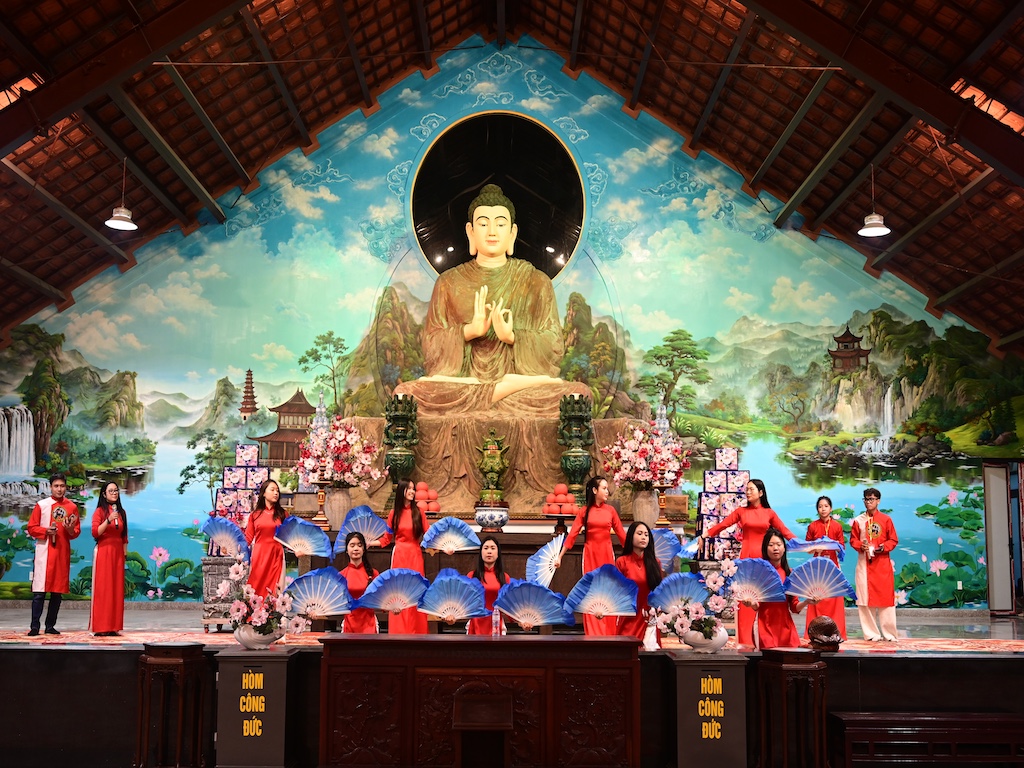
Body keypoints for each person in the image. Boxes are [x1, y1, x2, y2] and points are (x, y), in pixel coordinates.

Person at [393, 183, 589, 417]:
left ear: (512, 233)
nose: (492, 232)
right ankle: (497, 392)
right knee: (406, 394)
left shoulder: (536, 281)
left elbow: (554, 344)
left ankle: (499, 391)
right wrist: (469, 331)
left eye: (500, 224)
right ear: (470, 232)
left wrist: (513, 337)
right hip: (464, 387)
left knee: (577, 394)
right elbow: (431, 345)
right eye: (484, 224)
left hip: (521, 391)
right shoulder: (448, 282)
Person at [695, 479, 795, 647]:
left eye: (751, 489)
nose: (748, 492)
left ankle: (767, 636)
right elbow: (723, 524)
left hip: (764, 560)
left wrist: (804, 545)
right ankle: (745, 640)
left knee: (763, 597)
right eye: (746, 489)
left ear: (761, 493)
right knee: (746, 596)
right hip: (747, 560)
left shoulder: (769, 513)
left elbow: (785, 532)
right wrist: (705, 535)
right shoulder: (741, 512)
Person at [553, 476, 627, 635]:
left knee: (607, 592)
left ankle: (609, 633)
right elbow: (572, 535)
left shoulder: (610, 511)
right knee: (591, 592)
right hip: (590, 555)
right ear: (594, 490)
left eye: (607, 488)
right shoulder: (584, 512)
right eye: (604, 488)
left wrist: (635, 554)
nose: (607, 491)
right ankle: (593, 633)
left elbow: (622, 535)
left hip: (606, 555)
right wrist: (560, 556)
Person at [27, 473, 81, 636]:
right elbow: (31, 528)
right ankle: (34, 626)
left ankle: (50, 625)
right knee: (39, 592)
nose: (59, 489)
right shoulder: (41, 505)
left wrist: (70, 529)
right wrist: (46, 531)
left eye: (62, 486)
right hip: (44, 553)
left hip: (61, 553)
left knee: (57, 592)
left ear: (66, 487)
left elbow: (76, 532)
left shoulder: (72, 507)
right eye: (56, 486)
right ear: (51, 487)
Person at [377, 478, 430, 634]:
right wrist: (370, 543)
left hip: (415, 555)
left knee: (416, 592)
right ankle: (398, 632)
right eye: (409, 488)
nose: (412, 492)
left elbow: (429, 536)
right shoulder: (394, 514)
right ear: (402, 491)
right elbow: (386, 539)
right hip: (399, 555)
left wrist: (443, 547)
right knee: (399, 594)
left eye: (414, 489)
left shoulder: (419, 512)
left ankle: (417, 633)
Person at [743, 528, 808, 650]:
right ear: (765, 548)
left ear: (784, 548)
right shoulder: (759, 573)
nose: (775, 548)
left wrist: (807, 601)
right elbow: (757, 605)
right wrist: (751, 603)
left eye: (779, 544)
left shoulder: (790, 574)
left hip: (786, 627)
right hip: (764, 625)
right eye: (771, 545)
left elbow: (794, 607)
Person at [850, 487, 899, 642]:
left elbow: (893, 540)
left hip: (882, 564)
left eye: (871, 499)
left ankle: (889, 634)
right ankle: (871, 634)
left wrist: (883, 547)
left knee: (886, 600)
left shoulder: (886, 519)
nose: (868, 502)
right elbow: (853, 540)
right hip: (864, 564)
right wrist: (861, 546)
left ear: (878, 501)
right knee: (864, 599)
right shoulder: (858, 521)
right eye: (866, 499)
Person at [804, 495, 847, 640]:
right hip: (817, 566)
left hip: (833, 566)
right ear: (817, 509)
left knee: (835, 598)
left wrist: (831, 546)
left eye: (826, 506)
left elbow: (842, 547)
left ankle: (837, 631)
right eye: (820, 506)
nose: (823, 509)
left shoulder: (837, 526)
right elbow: (807, 548)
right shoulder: (812, 526)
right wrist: (815, 548)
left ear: (831, 508)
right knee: (816, 597)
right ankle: (813, 631)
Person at [615, 521, 663, 643]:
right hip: (629, 614)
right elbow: (615, 591)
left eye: (646, 535)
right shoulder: (622, 562)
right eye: (640, 533)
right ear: (631, 536)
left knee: (650, 649)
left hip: (648, 614)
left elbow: (659, 591)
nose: (643, 537)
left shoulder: (655, 563)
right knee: (627, 647)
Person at [89, 481, 128, 637]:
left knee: (116, 589)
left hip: (118, 553)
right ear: (104, 494)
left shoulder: (122, 512)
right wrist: (108, 520)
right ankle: (100, 626)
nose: (114, 493)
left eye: (116, 490)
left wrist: (124, 555)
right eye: (110, 491)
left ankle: (113, 626)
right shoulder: (99, 511)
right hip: (104, 551)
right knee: (104, 589)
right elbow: (95, 532)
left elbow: (124, 536)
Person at [244, 479, 288, 598]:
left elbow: (289, 537)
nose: (276, 493)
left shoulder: (283, 514)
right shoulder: (255, 515)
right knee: (256, 587)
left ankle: (273, 610)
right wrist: (231, 549)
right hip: (259, 554)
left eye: (277, 490)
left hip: (276, 554)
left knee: (275, 589)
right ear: (263, 493)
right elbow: (248, 538)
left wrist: (297, 549)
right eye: (272, 490)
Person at [466, 535, 512, 635]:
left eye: (493, 548)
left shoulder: (504, 578)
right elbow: (463, 602)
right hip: (476, 623)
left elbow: (509, 605)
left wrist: (521, 622)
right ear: (481, 553)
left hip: (496, 623)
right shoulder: (472, 576)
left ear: (498, 553)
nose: (489, 551)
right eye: (486, 548)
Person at [339, 532, 380, 634]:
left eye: (359, 545)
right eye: (352, 545)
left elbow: (382, 598)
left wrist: (393, 608)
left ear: (364, 549)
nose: (356, 549)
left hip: (369, 623)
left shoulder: (373, 574)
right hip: (349, 622)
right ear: (347, 550)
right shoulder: (341, 575)